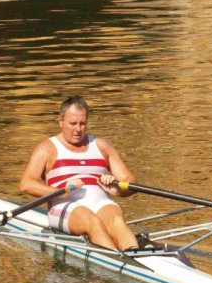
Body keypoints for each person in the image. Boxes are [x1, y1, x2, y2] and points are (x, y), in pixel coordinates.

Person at [19, 96, 139, 251]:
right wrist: (58, 192)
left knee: (116, 219)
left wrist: (118, 189)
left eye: (82, 124)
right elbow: (26, 184)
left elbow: (131, 182)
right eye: (72, 124)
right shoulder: (47, 148)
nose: (78, 129)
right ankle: (117, 260)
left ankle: (135, 254)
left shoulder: (102, 146)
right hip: (63, 206)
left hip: (100, 202)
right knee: (92, 221)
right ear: (60, 121)